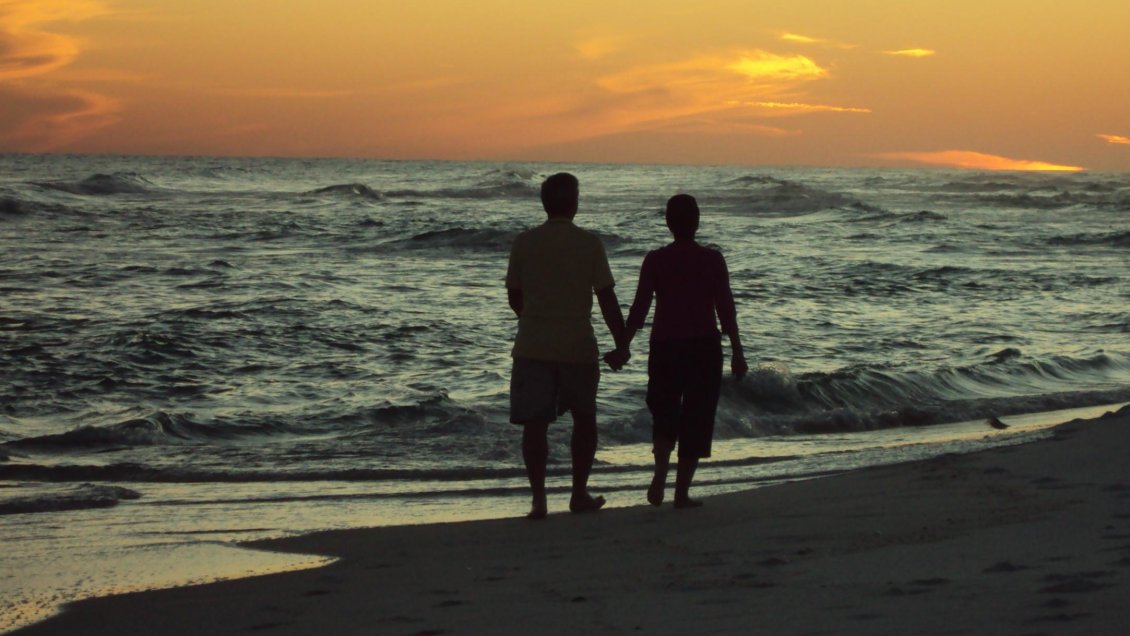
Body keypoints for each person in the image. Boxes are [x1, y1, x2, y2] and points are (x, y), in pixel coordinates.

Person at [506, 172, 629, 520]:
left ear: (544, 204)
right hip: (577, 344)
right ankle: (578, 493)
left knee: (535, 425)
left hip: (532, 344)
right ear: (575, 203)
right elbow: (607, 298)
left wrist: (533, 317)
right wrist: (622, 342)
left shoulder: (524, 243)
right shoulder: (589, 244)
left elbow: (515, 295)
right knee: (584, 419)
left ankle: (539, 499)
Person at [612, 194, 747, 509]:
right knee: (697, 418)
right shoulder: (712, 259)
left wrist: (624, 346)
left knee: (664, 411)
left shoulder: (656, 260)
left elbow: (640, 307)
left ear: (668, 223)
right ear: (697, 222)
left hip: (665, 345)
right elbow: (726, 309)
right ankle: (681, 492)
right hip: (703, 345)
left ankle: (660, 470)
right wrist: (738, 351)